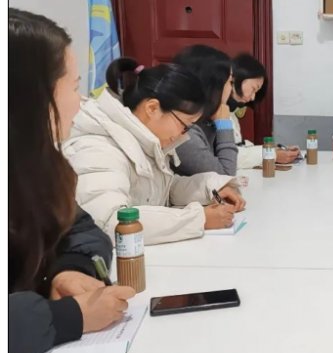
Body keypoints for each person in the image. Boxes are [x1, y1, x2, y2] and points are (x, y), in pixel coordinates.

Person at [9, 8, 136, 353]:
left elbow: (82, 229)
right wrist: (67, 317)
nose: (80, 102)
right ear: (31, 97)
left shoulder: (37, 164)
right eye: (75, 86)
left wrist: (71, 269)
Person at [63, 64, 245, 245]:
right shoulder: (100, 149)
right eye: (184, 126)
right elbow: (110, 222)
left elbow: (163, 189)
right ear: (152, 108)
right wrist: (199, 219)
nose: (184, 136)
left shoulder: (145, 142)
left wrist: (211, 188)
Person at [169, 45, 238, 176]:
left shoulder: (205, 120)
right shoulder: (184, 131)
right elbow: (225, 176)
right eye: (230, 82)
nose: (232, 90)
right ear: (212, 86)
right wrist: (224, 124)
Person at [228, 53, 301, 167]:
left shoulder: (230, 113)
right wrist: (271, 154)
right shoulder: (214, 113)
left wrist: (273, 149)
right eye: (253, 89)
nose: (252, 97)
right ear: (235, 77)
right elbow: (228, 156)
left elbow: (238, 146)